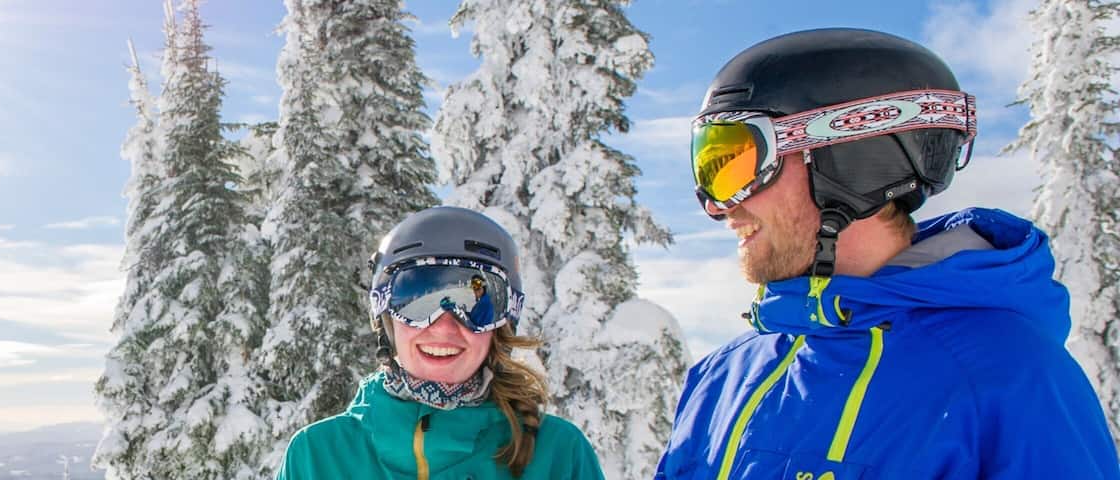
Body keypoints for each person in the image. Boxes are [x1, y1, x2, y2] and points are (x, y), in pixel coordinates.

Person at [656, 28, 1120, 479]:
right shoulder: (721, 377)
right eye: (710, 167)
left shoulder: (1012, 377)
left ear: (851, 160)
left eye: (737, 162)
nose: (718, 205)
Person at [278, 206, 603, 479]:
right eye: (417, 299)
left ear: (502, 323)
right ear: (386, 317)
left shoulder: (558, 454)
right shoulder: (317, 457)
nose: (445, 327)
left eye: (476, 307)